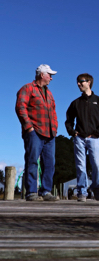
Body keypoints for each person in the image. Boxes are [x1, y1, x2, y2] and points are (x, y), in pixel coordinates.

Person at [15, 64, 59, 201]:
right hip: (34, 132)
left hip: (50, 133)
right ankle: (31, 192)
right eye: (49, 75)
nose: (51, 78)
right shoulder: (27, 88)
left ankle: (46, 191)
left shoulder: (49, 93)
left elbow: (53, 112)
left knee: (50, 163)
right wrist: (29, 127)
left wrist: (55, 128)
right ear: (42, 75)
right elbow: (20, 107)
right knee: (32, 160)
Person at [65, 73, 99, 202]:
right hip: (79, 138)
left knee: (96, 164)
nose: (78, 84)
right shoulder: (76, 103)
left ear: (88, 82)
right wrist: (72, 132)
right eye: (77, 82)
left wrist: (98, 132)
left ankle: (96, 188)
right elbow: (68, 120)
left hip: (94, 138)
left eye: (81, 81)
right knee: (80, 165)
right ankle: (82, 192)